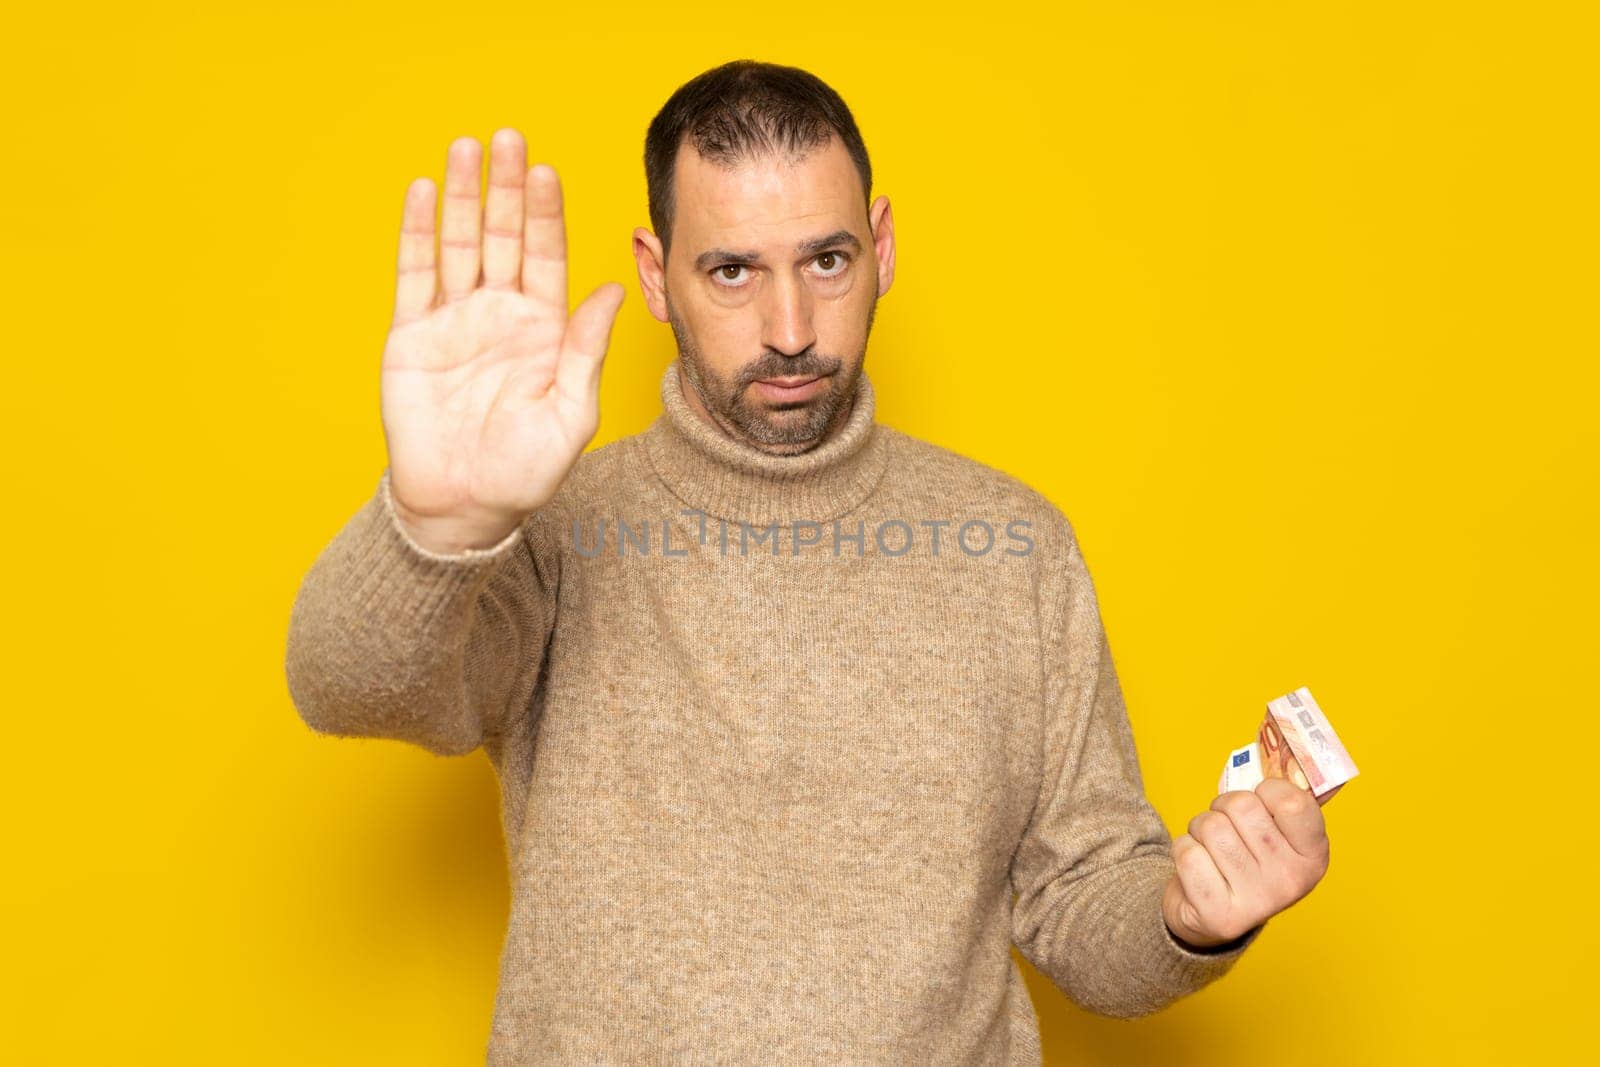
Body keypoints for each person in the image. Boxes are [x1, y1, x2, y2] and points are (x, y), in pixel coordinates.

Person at [284, 58, 1332, 1064]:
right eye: (731, 269)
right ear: (656, 277)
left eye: (825, 261)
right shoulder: (561, 528)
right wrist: (440, 523)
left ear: (879, 246)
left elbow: (1080, 896)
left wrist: (1183, 920)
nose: (789, 330)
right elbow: (347, 686)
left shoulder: (1014, 544)